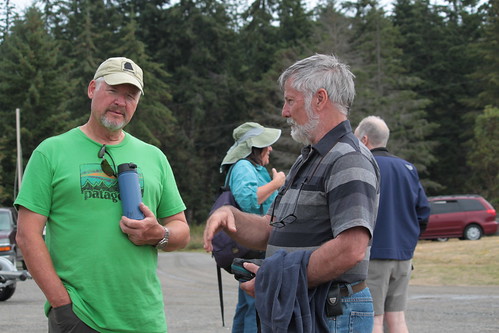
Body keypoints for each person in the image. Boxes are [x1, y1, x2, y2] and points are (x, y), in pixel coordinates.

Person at [204, 54, 380, 332]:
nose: (284, 112)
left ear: (319, 99)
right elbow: (269, 230)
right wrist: (230, 216)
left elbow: (351, 248)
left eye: (290, 100)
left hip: (334, 313)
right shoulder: (307, 159)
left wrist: (277, 278)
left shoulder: (349, 158)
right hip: (311, 307)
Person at [14, 57, 190, 333]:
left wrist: (159, 234)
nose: (121, 102)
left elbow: (181, 231)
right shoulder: (51, 152)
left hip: (145, 319)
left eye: (130, 95)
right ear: (92, 88)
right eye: (113, 91)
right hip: (80, 317)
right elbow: (27, 235)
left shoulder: (154, 157)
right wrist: (62, 305)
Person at [354, 116, 430, 333]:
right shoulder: (408, 168)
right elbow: (423, 212)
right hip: (403, 256)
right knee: (397, 318)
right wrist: (408, 240)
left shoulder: (364, 166)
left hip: (374, 255)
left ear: (365, 139)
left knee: (374, 319)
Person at [220, 122, 286, 333]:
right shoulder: (243, 167)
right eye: (266, 144)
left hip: (253, 246)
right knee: (255, 305)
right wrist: (276, 184)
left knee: (248, 303)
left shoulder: (252, 168)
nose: (270, 148)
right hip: (252, 245)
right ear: (254, 147)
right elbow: (248, 200)